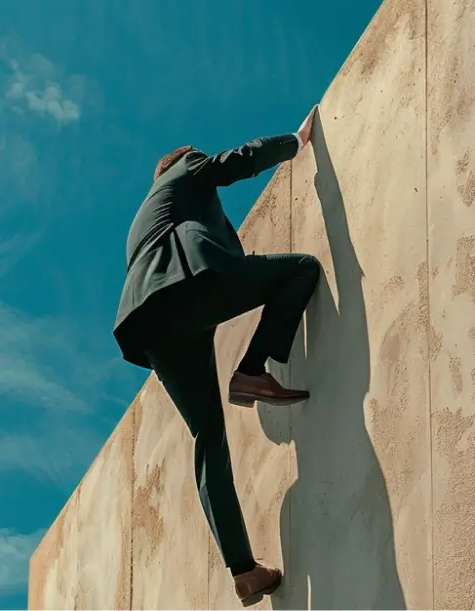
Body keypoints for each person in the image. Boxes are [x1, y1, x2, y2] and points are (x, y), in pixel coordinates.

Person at [113, 105, 322, 606]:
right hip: (187, 287)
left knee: (209, 439)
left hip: (152, 326)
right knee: (300, 269)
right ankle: (251, 371)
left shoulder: (146, 217)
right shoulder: (184, 171)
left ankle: (244, 571)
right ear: (182, 161)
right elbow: (236, 161)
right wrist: (294, 142)